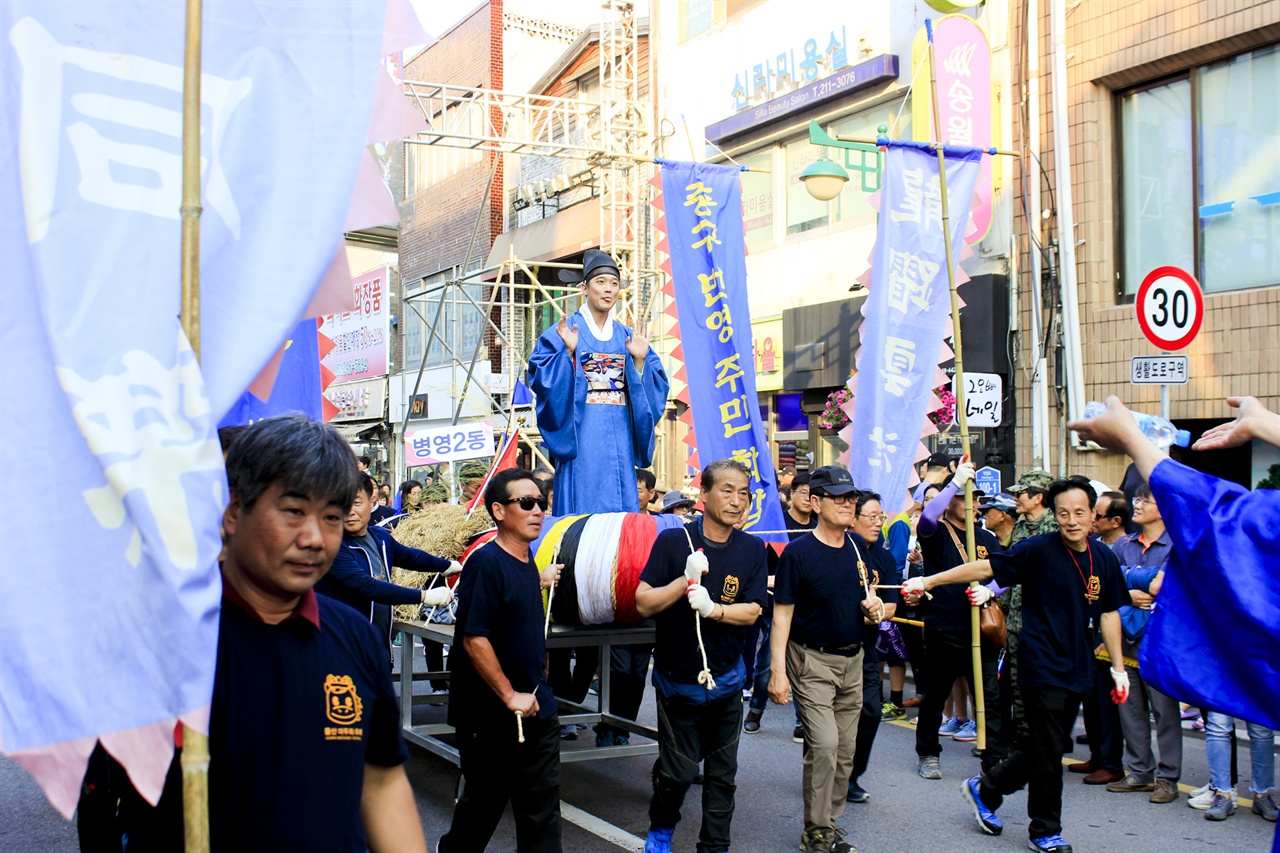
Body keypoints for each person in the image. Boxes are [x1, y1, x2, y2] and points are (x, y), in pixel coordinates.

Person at [214, 415, 426, 851]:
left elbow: (382, 781)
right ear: (235, 511)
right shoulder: (175, 639)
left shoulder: (355, 637)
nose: (314, 538)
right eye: (293, 511)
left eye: (331, 517)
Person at [905, 476, 1130, 853]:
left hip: (1078, 665)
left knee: (1048, 744)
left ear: (1093, 515)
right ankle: (1044, 830)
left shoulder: (1103, 558)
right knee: (1048, 754)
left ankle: (987, 787)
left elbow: (1108, 614)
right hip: (1039, 662)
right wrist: (930, 579)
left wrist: (1119, 668)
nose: (1072, 520)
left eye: (1079, 512)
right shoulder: (1038, 549)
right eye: (1063, 513)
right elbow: (983, 569)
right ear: (1054, 515)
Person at [636, 460, 767, 853]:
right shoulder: (675, 542)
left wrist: (714, 610)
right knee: (678, 774)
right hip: (678, 680)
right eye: (726, 491)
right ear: (703, 495)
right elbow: (643, 602)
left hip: (727, 679)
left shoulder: (752, 548)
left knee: (723, 774)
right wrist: (684, 581)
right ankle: (661, 826)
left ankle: (714, 845)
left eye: (743, 493)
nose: (736, 500)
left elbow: (754, 610)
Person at [439, 469, 563, 853]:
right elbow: (475, 639)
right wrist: (510, 696)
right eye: (525, 503)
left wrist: (537, 675)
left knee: (541, 810)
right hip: (489, 715)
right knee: (483, 808)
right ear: (498, 510)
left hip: (536, 707)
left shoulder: (527, 561)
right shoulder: (486, 563)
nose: (537, 510)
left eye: (541, 503)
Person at [766, 466, 882, 853]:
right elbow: (781, 615)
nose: (849, 504)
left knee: (846, 751)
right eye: (839, 497)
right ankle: (816, 831)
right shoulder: (798, 554)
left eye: (852, 497)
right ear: (816, 503)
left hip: (855, 660)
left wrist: (874, 607)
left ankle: (828, 824)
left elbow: (865, 603)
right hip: (812, 661)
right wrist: (777, 673)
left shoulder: (856, 548)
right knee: (825, 745)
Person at [527, 248, 669, 514]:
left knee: (620, 517)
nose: (608, 289)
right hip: (582, 437)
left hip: (620, 440)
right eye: (600, 282)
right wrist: (567, 354)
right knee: (582, 514)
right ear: (584, 287)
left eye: (614, 283)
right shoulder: (564, 332)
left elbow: (657, 388)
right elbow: (541, 376)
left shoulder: (628, 337)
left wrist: (638, 362)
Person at [912, 460, 1005, 778]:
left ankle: (993, 756)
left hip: (981, 626)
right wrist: (953, 483)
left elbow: (1004, 572)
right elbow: (926, 516)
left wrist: (990, 592)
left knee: (990, 696)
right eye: (964, 496)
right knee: (936, 692)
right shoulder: (936, 532)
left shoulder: (987, 538)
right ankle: (927, 753)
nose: (972, 503)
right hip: (945, 626)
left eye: (975, 497)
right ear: (950, 502)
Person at [317, 473, 459, 656]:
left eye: (356, 503)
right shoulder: (330, 544)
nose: (349, 511)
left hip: (377, 648)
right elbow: (366, 586)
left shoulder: (379, 537)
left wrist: (446, 565)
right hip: (340, 650)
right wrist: (423, 596)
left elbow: (410, 556)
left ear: (371, 502)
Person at [1105, 482, 1182, 803]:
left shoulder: (1176, 545)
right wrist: (1135, 584)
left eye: (1144, 500)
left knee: (1165, 711)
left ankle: (1168, 778)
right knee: (1130, 709)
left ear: (1163, 508)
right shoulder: (1124, 543)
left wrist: (1126, 578)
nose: (1136, 504)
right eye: (1136, 498)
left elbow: (1164, 586)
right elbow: (1106, 577)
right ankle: (1139, 772)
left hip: (1162, 640)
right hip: (1125, 637)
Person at [782, 471, 817, 538]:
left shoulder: (817, 529)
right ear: (792, 493)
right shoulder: (780, 522)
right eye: (803, 493)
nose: (807, 498)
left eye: (811, 494)